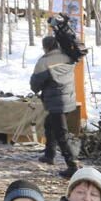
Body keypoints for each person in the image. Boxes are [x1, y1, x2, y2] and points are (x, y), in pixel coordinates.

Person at [30, 34, 79, 175]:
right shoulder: (68, 56)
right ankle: (49, 155)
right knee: (49, 124)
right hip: (69, 99)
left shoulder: (44, 62)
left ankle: (72, 165)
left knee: (61, 134)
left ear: (45, 47)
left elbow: (35, 85)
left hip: (56, 103)